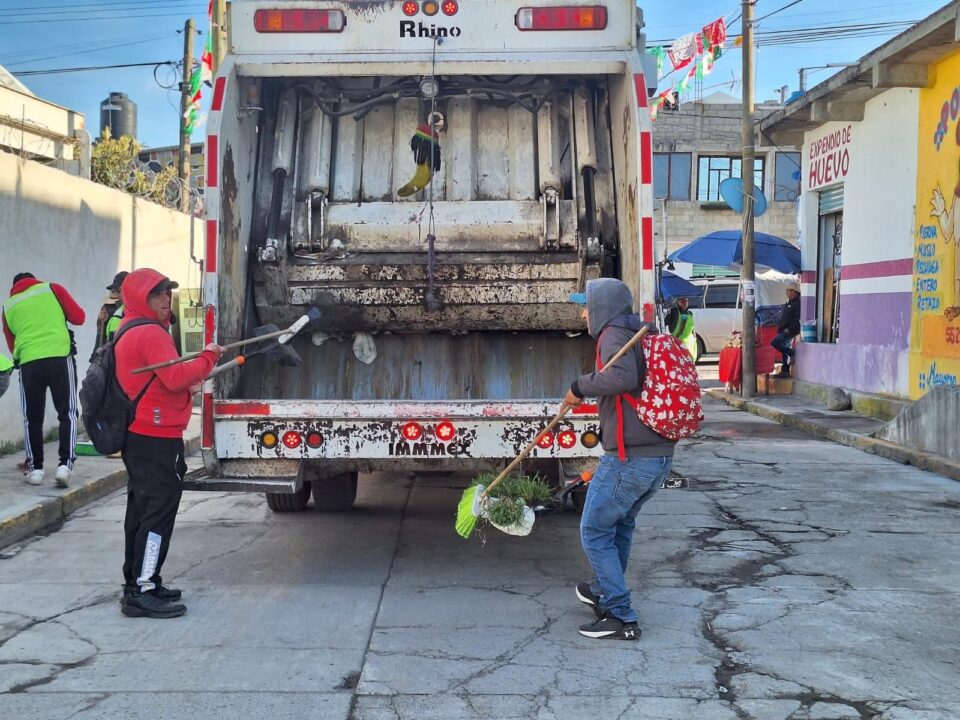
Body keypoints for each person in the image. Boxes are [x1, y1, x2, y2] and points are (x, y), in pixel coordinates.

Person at [565, 279, 676, 641]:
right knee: (620, 524)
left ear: (602, 307)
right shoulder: (639, 332)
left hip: (630, 458)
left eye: (587, 306)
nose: (584, 314)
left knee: (594, 530)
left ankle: (620, 615)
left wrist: (580, 386)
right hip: (657, 455)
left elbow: (622, 377)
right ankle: (602, 590)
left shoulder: (612, 335)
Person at [113, 268, 223, 619]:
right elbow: (176, 377)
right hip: (155, 437)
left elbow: (163, 378)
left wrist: (190, 374)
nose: (165, 299)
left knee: (141, 512)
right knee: (157, 514)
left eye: (167, 292)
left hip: (139, 435)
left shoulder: (128, 328)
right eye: (157, 293)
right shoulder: (150, 332)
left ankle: (139, 582)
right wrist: (209, 356)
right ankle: (143, 589)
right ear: (139, 298)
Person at [2, 272, 86, 487]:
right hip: (60, 357)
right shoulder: (52, 289)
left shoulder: (8, 306)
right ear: (34, 280)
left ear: (14, 287)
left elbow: (12, 345)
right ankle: (65, 466)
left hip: (29, 363)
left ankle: (36, 470)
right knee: (67, 413)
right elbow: (79, 317)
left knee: (32, 417)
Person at [93, 271, 128, 356]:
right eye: (113, 290)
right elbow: (101, 335)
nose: (114, 293)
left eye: (118, 290)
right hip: (109, 355)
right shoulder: (108, 307)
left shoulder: (133, 308)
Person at [772, 283, 801, 378]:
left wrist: (789, 329)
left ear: (794, 292)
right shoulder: (789, 303)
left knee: (775, 342)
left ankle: (792, 352)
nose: (786, 292)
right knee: (784, 350)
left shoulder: (797, 303)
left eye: (788, 290)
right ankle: (785, 371)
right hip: (783, 329)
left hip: (789, 330)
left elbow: (797, 318)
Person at [664, 296, 698, 361]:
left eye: (686, 301)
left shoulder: (690, 314)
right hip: (677, 343)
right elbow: (665, 322)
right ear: (678, 302)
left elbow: (692, 329)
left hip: (689, 344)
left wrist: (694, 338)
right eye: (682, 301)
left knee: (689, 362)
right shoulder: (673, 312)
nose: (684, 303)